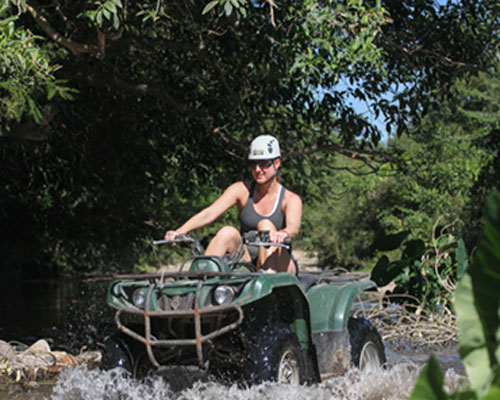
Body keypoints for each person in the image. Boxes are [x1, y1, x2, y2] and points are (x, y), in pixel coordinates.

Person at [164, 135, 302, 274]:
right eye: (253, 164)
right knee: (227, 232)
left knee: (265, 225)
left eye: (264, 163)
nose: (258, 169)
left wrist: (282, 234)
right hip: (247, 259)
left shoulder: (290, 199)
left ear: (277, 163)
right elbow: (210, 212)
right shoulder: (241, 190)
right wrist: (180, 231)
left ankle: (267, 286)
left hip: (280, 262)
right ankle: (199, 283)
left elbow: (293, 228)